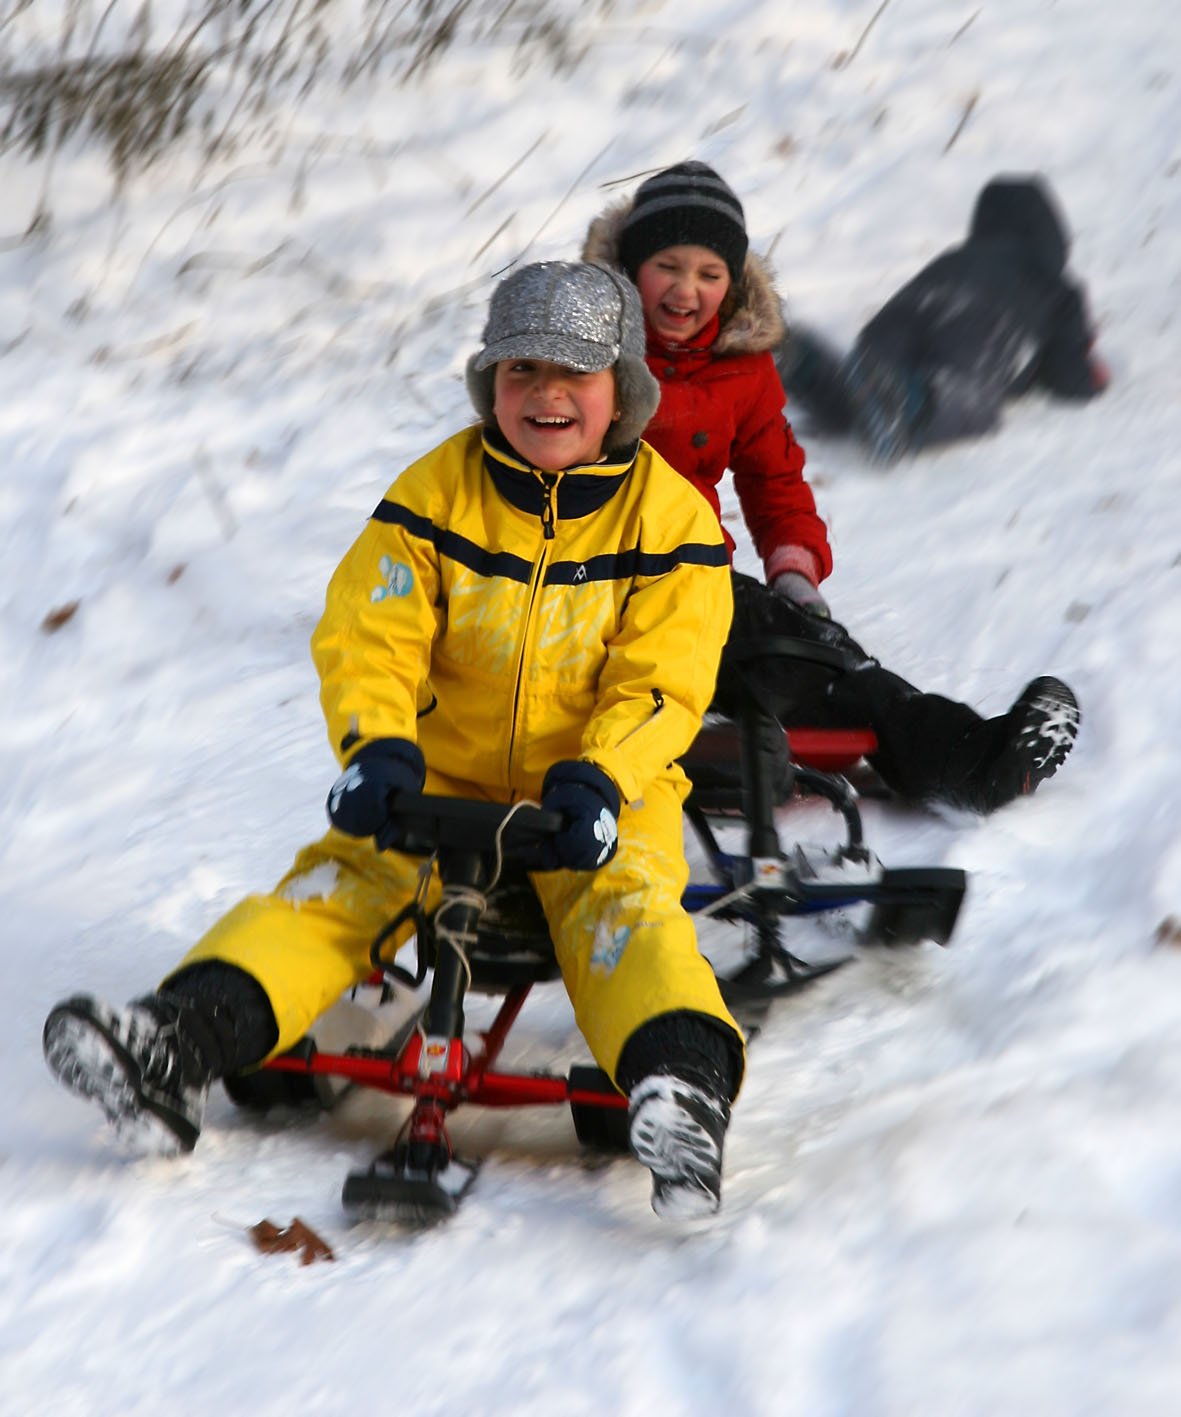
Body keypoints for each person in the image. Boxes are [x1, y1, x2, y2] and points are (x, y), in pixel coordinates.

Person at [42, 261, 747, 1221]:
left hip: (588, 804)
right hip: (439, 789)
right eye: (519, 371)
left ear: (621, 388)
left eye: (571, 375)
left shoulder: (670, 523)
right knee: (327, 897)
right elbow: (372, 632)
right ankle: (177, 1042)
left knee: (626, 918)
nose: (543, 394)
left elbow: (663, 675)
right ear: (486, 385)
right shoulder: (437, 494)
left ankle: (680, 1087)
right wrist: (377, 749)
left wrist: (603, 776)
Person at [582, 161, 1080, 811]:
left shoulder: (743, 366)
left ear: (731, 283)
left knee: (825, 660)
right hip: (576, 572)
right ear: (629, 266)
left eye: (708, 273)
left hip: (690, 581)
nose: (686, 290)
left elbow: (773, 478)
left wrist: (793, 572)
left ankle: (971, 761)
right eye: (667, 267)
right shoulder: (585, 347)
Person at [775, 173, 1110, 464]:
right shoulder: (1049, 279)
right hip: (977, 322)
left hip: (905, 311)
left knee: (866, 381)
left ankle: (812, 369)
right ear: (1052, 239)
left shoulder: (959, 256)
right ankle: (905, 407)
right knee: (964, 395)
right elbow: (1072, 376)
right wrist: (1092, 377)